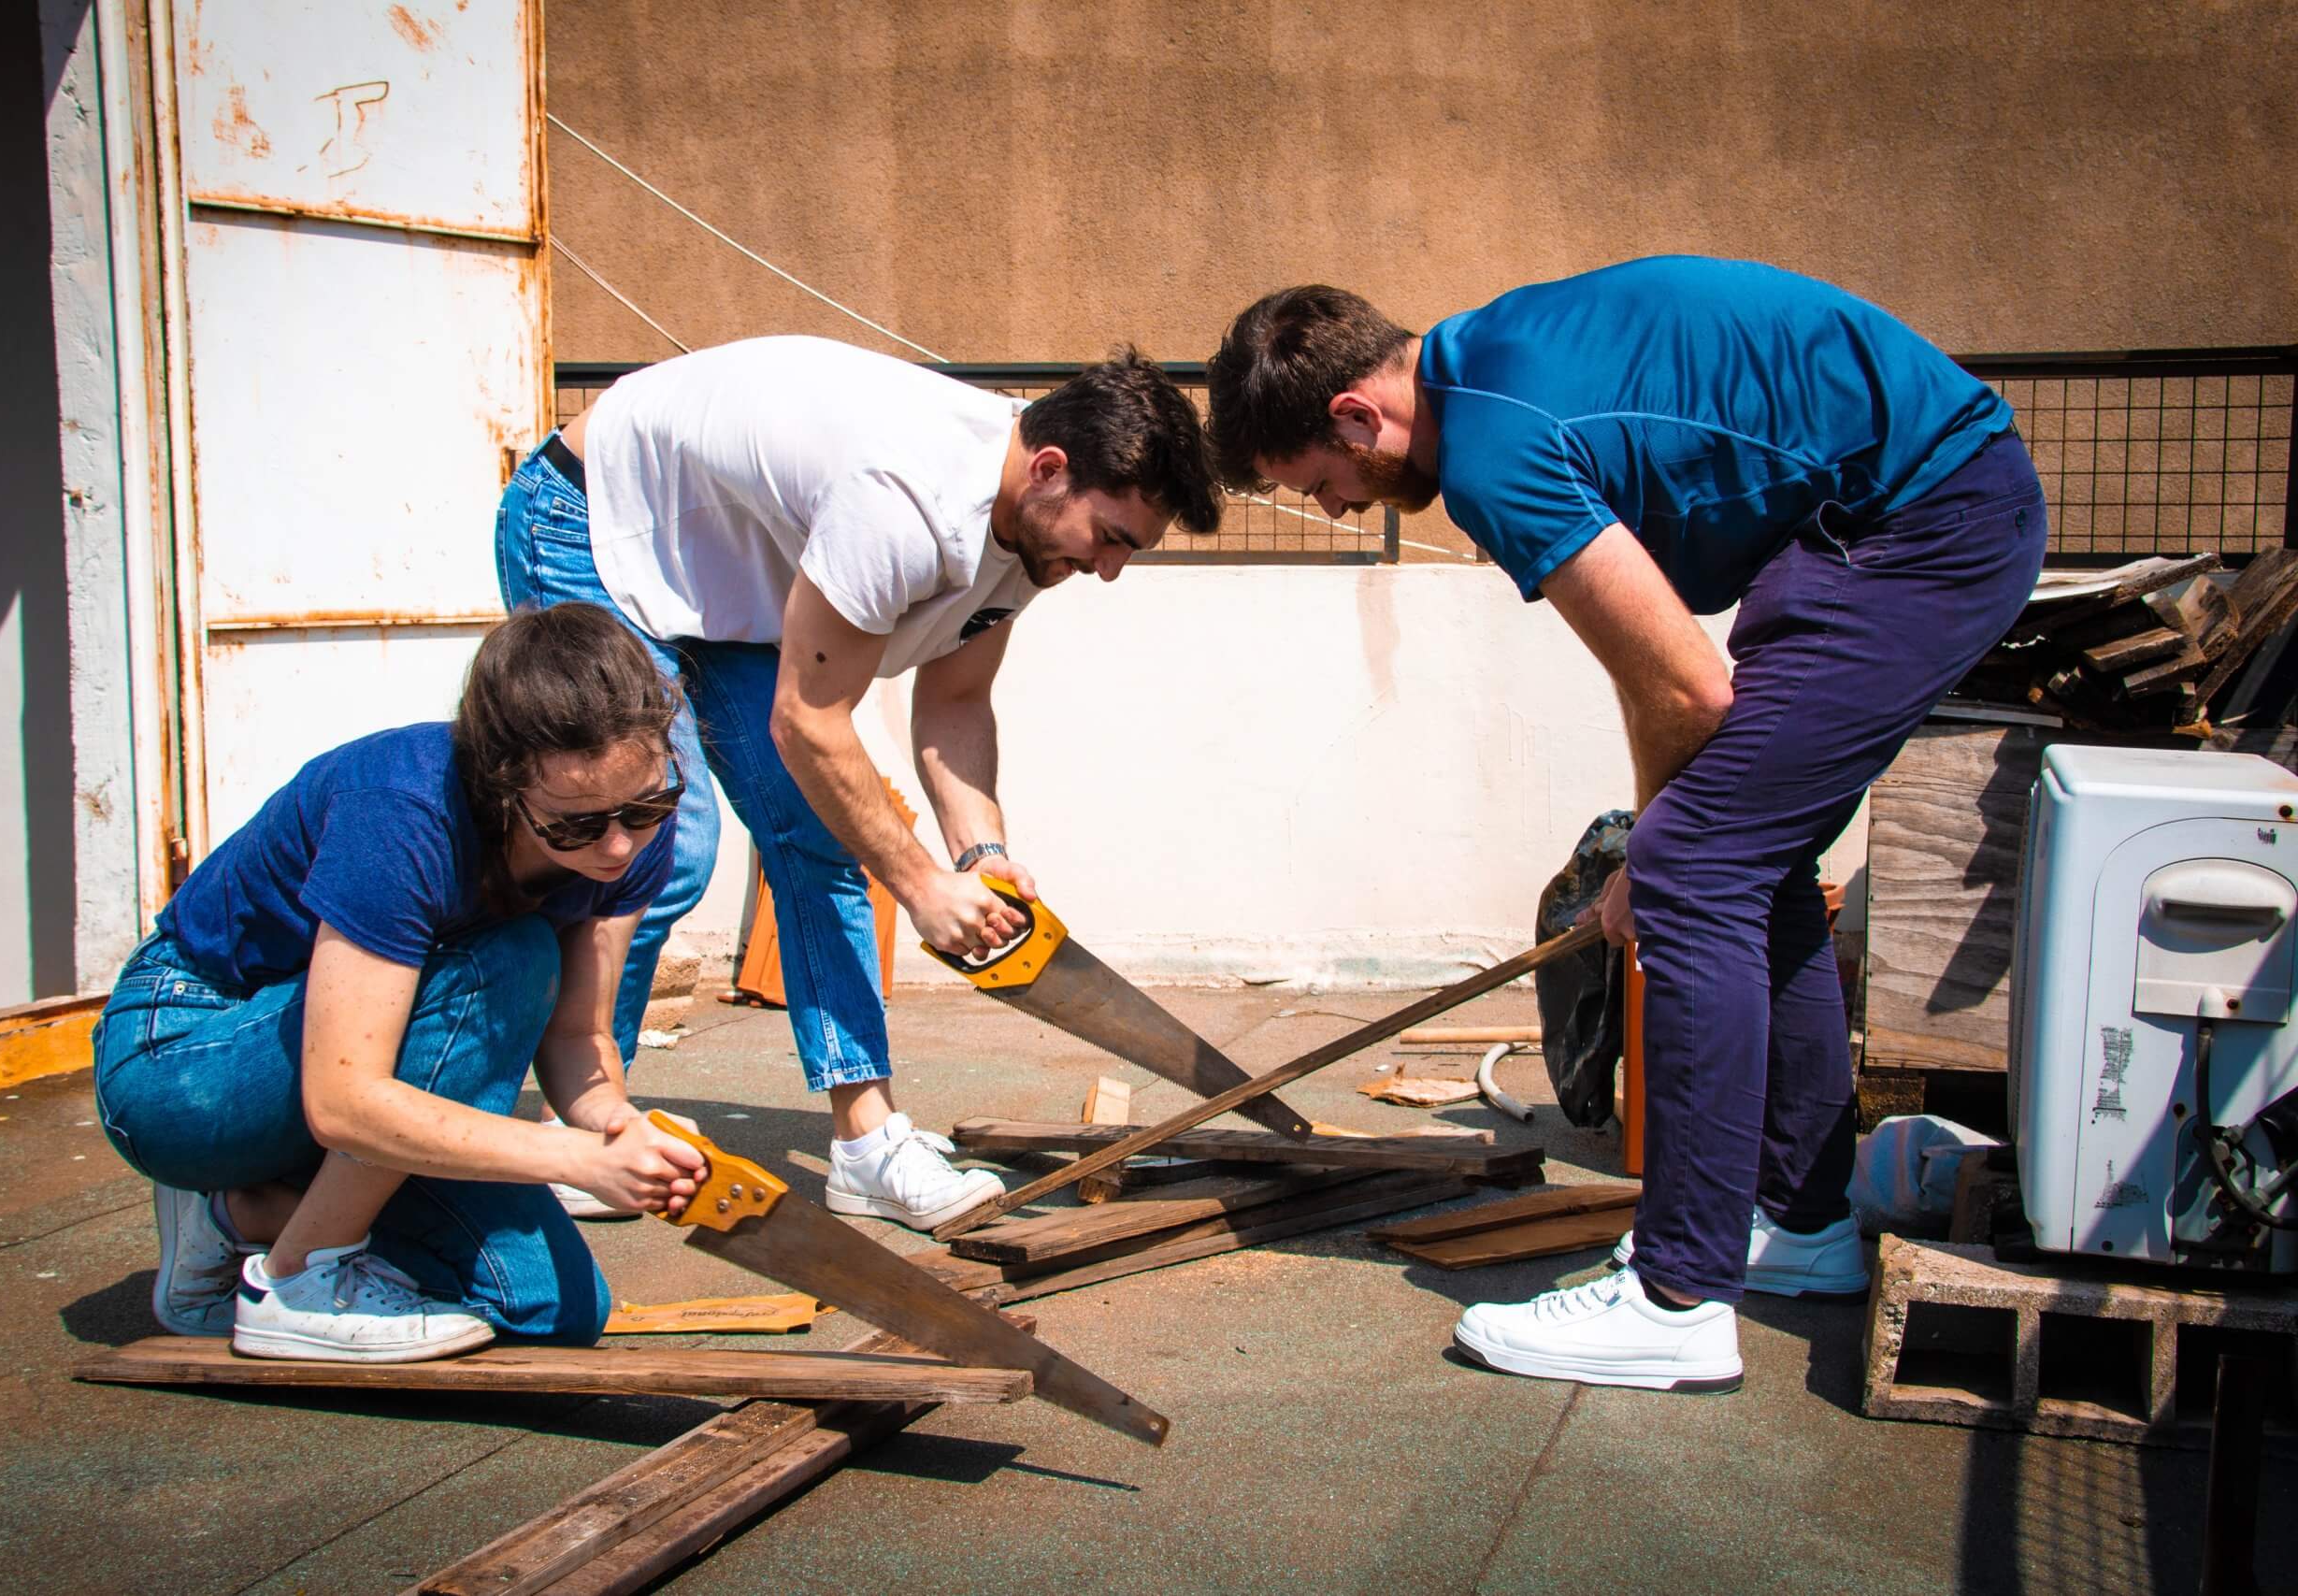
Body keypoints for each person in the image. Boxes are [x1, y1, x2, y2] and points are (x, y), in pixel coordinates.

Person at [1205, 257, 2047, 1392]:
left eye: (1316, 478)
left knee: (1697, 869)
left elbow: (1685, 689)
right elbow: (1657, 673)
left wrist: (1656, 853)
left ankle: (1676, 1298)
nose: (1334, 506)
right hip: (1876, 518)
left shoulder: (1494, 446)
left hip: (1918, 523)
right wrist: (1667, 841)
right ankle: (1800, 1225)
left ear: (1356, 415)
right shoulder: (1491, 359)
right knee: (1745, 861)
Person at [496, 336, 1219, 1230]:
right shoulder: (904, 502)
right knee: (654, 844)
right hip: (597, 521)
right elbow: (807, 720)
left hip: (730, 571)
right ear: (1049, 469)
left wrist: (980, 854)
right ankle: (583, 1125)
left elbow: (954, 699)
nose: (1109, 568)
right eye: (1111, 539)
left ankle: (866, 1145)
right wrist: (919, 886)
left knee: (820, 835)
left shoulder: (1027, 530)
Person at [91, 603, 708, 1361]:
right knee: (509, 957)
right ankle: (296, 1281)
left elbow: (578, 1033)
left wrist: (616, 1124)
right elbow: (343, 1100)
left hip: (345, 1071)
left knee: (551, 1309)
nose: (618, 845)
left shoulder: (630, 812)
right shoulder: (402, 810)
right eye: (574, 825)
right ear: (502, 785)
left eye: (644, 807)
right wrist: (577, 1161)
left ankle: (242, 1212)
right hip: (183, 1062)